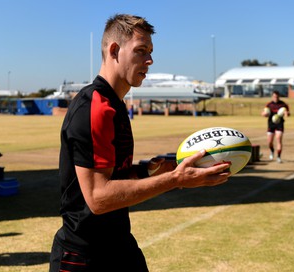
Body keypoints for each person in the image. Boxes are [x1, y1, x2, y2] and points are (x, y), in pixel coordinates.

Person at [49, 14, 231, 272]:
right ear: (114, 50)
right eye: (141, 50)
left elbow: (115, 176)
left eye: (151, 51)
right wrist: (176, 180)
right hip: (84, 256)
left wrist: (149, 170)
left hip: (119, 246)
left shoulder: (115, 105)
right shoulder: (95, 106)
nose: (150, 60)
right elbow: (98, 198)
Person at [261, 90, 290, 163]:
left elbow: (287, 113)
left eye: (277, 96)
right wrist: (264, 114)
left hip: (279, 124)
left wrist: (286, 114)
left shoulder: (283, 105)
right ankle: (272, 151)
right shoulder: (269, 104)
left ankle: (278, 157)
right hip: (271, 124)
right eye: (274, 96)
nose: (276, 98)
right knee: (270, 142)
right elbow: (264, 113)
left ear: (279, 96)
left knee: (278, 139)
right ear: (272, 96)